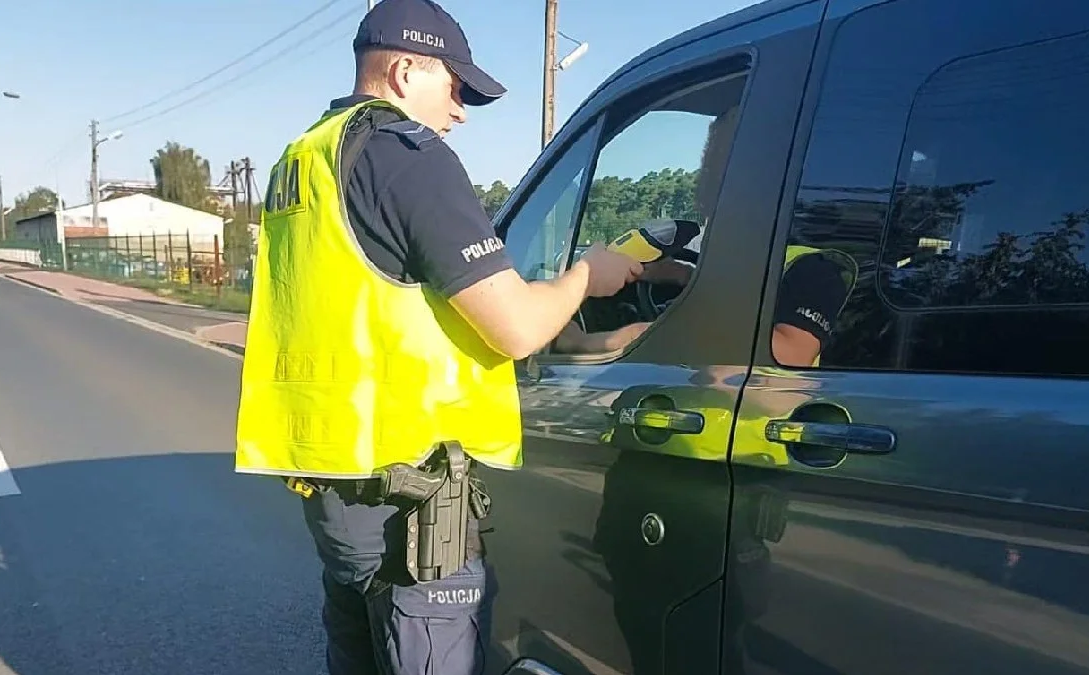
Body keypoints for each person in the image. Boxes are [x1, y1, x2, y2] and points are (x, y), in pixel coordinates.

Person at [232, 1, 642, 674]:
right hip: (411, 510)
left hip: (337, 494)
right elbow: (513, 327)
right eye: (455, 86)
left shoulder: (304, 159)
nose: (461, 110)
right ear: (402, 71)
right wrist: (585, 276)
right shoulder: (404, 155)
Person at [553, 106, 855, 368]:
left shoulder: (813, 269)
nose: (707, 174)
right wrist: (682, 275)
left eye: (719, 163)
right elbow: (737, 297)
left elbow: (788, 355)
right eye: (709, 161)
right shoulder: (741, 260)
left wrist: (589, 343)